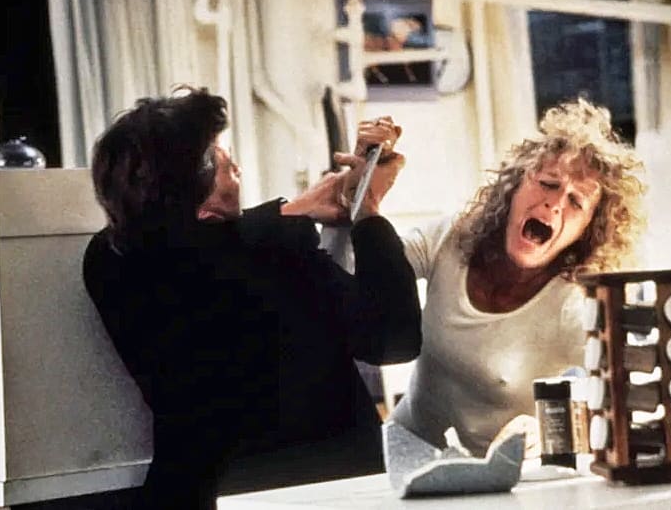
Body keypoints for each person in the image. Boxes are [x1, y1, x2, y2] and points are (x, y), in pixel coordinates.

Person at [82, 86, 420, 509]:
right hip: (320, 489)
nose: (237, 168)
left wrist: (294, 211)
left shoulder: (107, 261)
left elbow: (202, 247)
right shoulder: (276, 256)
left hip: (197, 491)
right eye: (225, 166)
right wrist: (366, 209)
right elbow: (394, 338)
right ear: (201, 207)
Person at [389, 98, 645, 457]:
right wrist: (356, 198)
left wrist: (567, 424)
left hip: (496, 476)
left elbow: (633, 396)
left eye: (576, 202)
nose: (555, 204)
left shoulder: (572, 307)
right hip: (405, 447)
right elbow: (364, 271)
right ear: (516, 184)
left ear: (587, 232)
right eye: (549, 183)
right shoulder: (453, 237)